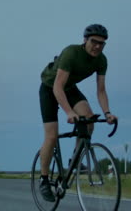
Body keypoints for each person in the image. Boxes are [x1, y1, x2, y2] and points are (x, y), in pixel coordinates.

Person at [38, 24, 118, 202]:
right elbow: (58, 87)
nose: (97, 46)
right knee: (51, 136)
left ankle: (74, 160)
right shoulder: (71, 53)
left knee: (89, 120)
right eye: (94, 42)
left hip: (69, 88)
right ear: (85, 40)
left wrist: (107, 113)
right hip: (50, 88)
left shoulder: (101, 60)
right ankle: (43, 180)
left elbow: (101, 90)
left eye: (102, 43)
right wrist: (69, 112)